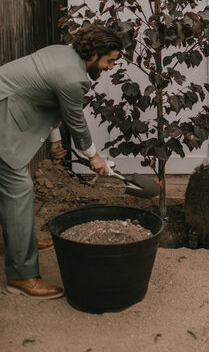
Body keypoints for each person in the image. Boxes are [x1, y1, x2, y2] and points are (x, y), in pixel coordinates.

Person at [0, 24, 122, 298]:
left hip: (5, 105)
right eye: (109, 60)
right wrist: (95, 157)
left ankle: (20, 240)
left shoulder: (62, 54)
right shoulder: (72, 77)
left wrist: (55, 140)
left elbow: (47, 99)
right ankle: (22, 276)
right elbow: (76, 121)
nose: (111, 67)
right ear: (94, 54)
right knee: (19, 191)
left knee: (10, 190)